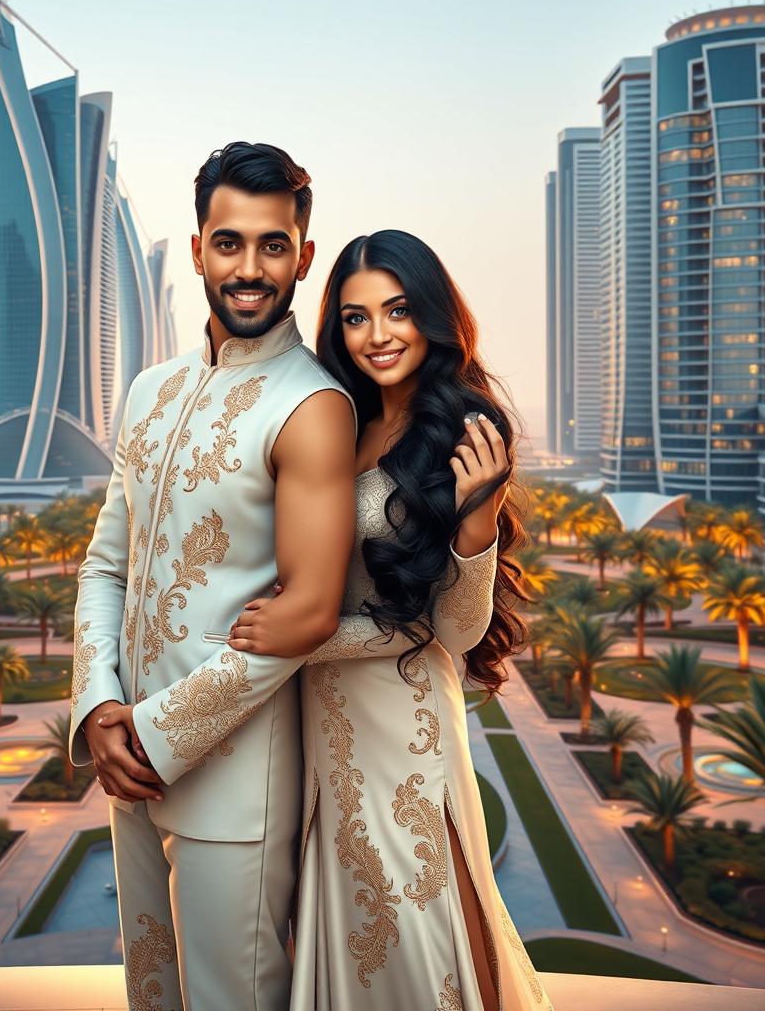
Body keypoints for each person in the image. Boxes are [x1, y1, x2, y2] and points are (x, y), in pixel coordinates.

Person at [227, 230, 555, 1010]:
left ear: (432, 315)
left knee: (407, 920)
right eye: (354, 317)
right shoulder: (332, 418)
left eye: (397, 310)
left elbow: (452, 634)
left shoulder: (462, 433)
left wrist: (480, 523)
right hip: (318, 719)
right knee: (335, 917)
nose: (378, 335)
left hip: (401, 727)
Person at [67, 141, 358, 1010]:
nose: (250, 268)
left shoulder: (312, 407)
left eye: (273, 247)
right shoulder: (149, 390)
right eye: (229, 243)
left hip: (233, 782)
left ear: (303, 257)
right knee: (151, 997)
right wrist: (96, 707)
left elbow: (304, 618)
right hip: (128, 763)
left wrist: (150, 733)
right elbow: (106, 563)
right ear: (198, 249)